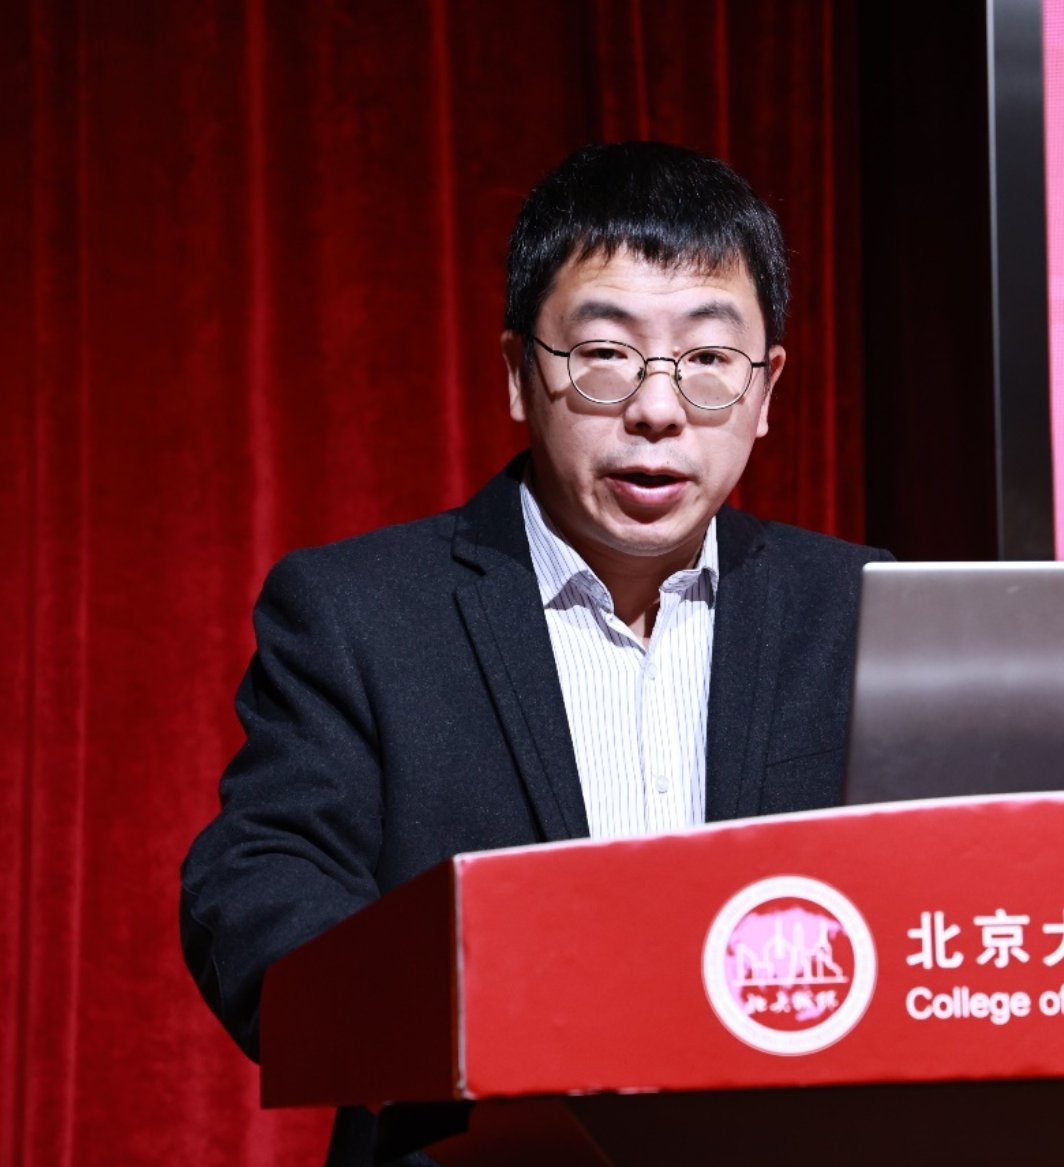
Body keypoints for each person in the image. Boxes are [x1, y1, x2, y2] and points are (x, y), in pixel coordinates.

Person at [180, 141, 889, 1166]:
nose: (657, 409)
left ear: (766, 388)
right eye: (605, 354)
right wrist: (476, 1025)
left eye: (707, 360)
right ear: (520, 372)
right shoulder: (360, 613)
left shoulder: (859, 609)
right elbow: (257, 885)